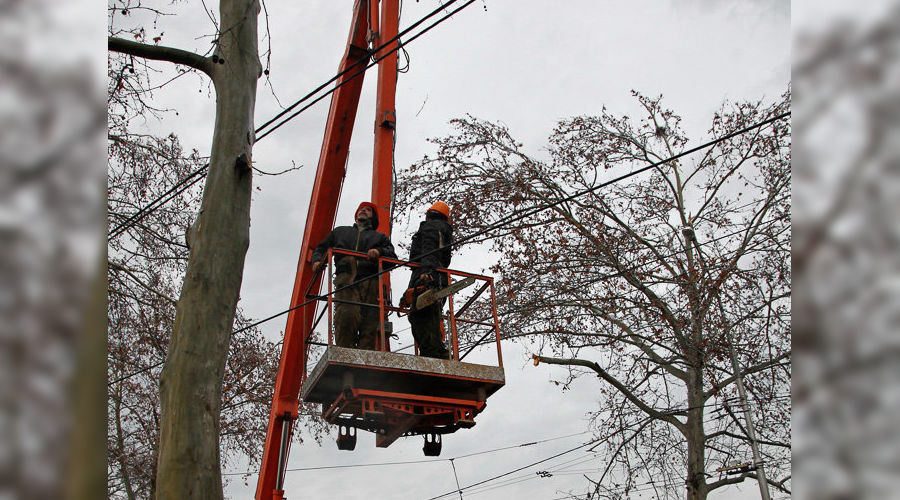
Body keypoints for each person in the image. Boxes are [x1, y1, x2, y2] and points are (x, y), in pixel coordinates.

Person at [311, 202, 396, 350]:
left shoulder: (379, 238)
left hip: (370, 281)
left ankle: (364, 360)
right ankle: (344, 353)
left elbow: (393, 258)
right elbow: (321, 247)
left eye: (368, 210)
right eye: (361, 209)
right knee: (347, 315)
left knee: (369, 323)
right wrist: (317, 260)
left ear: (373, 217)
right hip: (346, 280)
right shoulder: (340, 232)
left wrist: (379, 252)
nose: (363, 210)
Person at [406, 201, 454, 359]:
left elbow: (429, 249)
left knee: (421, 316)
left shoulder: (432, 227)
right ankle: (438, 351)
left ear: (429, 216)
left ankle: (434, 353)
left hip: (429, 276)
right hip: (436, 277)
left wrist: (426, 272)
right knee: (431, 316)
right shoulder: (442, 229)